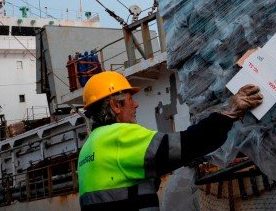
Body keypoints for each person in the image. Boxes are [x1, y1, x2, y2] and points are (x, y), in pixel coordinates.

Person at [77, 71, 263, 210]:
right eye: (130, 99)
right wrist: (230, 113)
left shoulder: (88, 148)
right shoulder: (119, 136)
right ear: (116, 105)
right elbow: (186, 144)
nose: (136, 104)